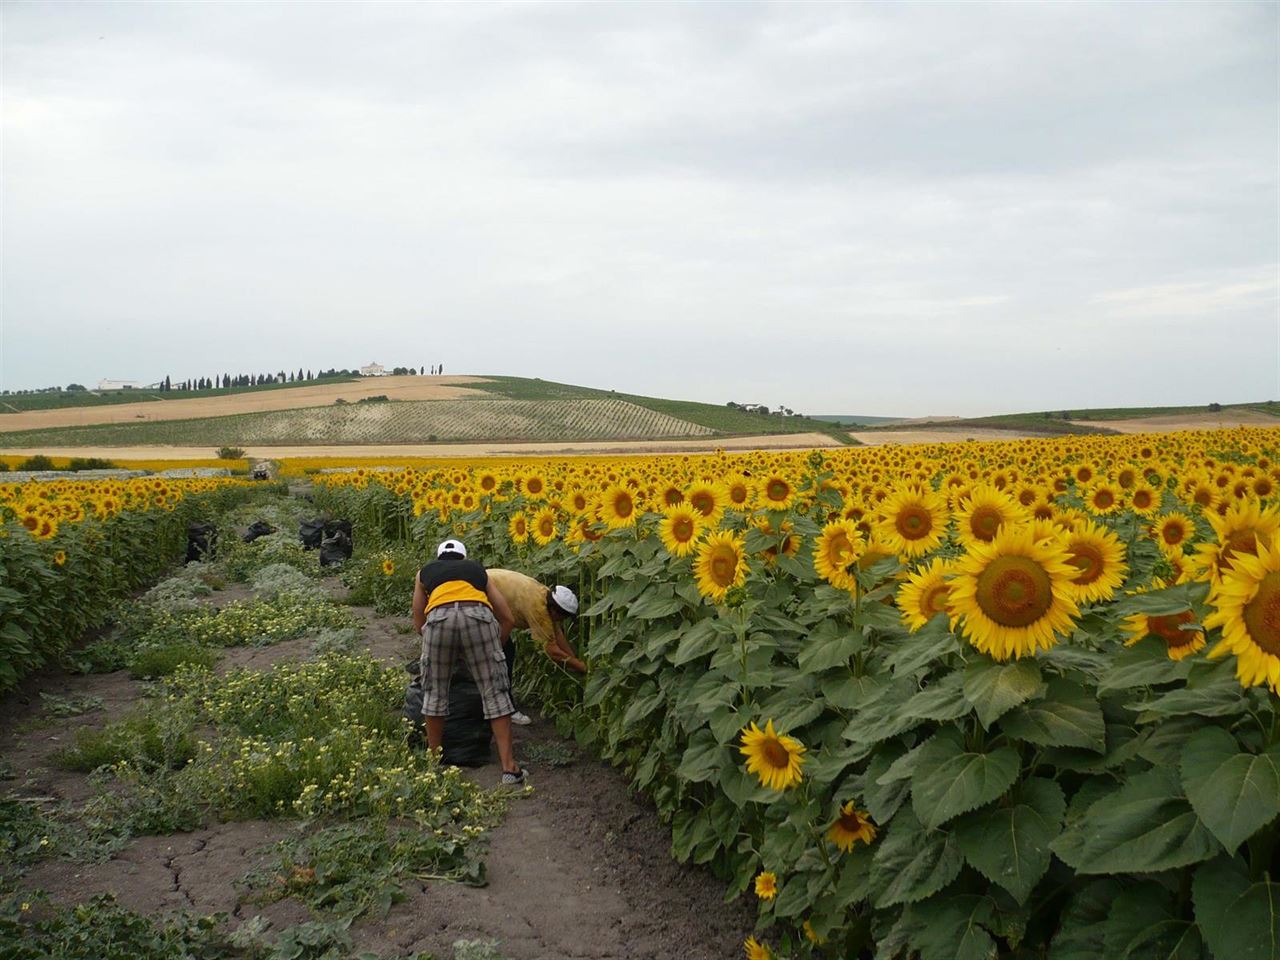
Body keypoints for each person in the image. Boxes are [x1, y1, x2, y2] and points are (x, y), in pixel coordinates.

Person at [412, 538, 526, 785]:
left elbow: (418, 621)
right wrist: (495, 645)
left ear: (439, 557)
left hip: (438, 619)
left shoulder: (424, 573)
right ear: (463, 558)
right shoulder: (478, 571)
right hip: (478, 615)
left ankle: (434, 764)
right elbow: (507, 618)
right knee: (495, 693)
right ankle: (509, 768)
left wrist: (443, 649)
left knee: (434, 693)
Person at [485, 569, 586, 724]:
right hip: (480, 596)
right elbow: (552, 650)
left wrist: (573, 659)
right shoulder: (539, 609)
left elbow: (557, 635)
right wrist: (582, 668)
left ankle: (491, 703)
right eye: (563, 616)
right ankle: (504, 709)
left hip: (485, 589)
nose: (563, 620)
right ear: (555, 610)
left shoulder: (544, 595)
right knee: (503, 655)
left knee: (501, 651)